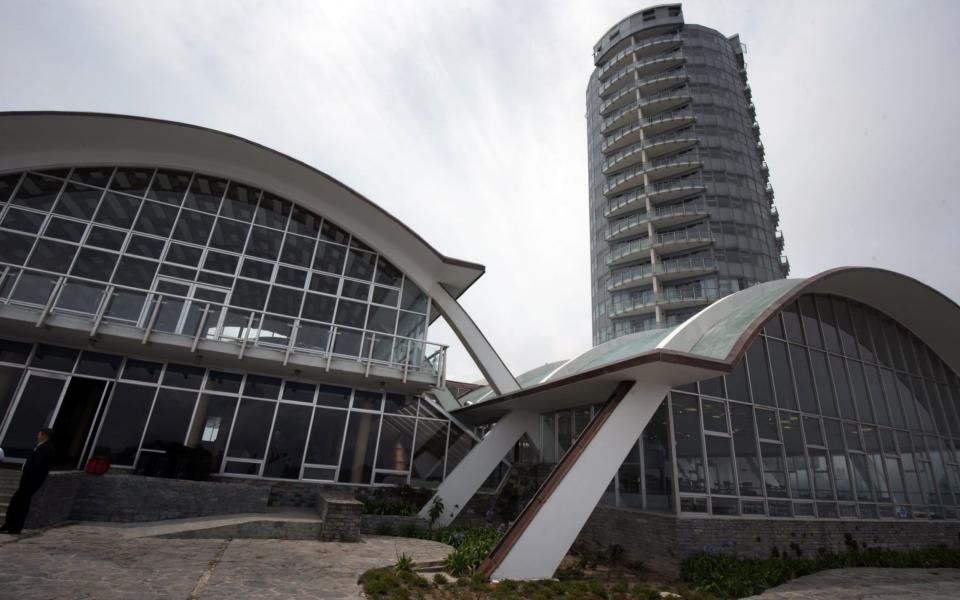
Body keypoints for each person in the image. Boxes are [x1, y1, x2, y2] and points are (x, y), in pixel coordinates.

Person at [0, 428, 55, 534]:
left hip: (31, 481)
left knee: (20, 503)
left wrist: (29, 473)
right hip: (28, 479)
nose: (37, 436)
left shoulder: (46, 448)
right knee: (16, 502)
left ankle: (14, 527)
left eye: (39, 434)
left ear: (44, 435)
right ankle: (9, 524)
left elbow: (38, 465)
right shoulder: (42, 446)